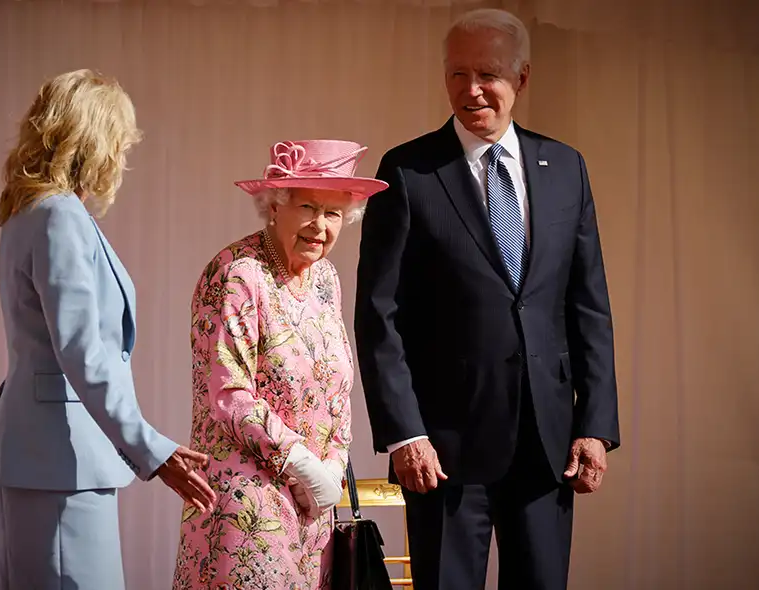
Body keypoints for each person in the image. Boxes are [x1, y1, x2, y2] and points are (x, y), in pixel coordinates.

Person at [354, 9, 620, 590]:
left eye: (488, 74)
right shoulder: (408, 172)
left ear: (521, 78)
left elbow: (588, 306)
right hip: (443, 450)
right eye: (457, 74)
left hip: (547, 443)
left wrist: (595, 424)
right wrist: (404, 432)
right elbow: (379, 316)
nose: (471, 89)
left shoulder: (566, 168)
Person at [0, 69, 216, 589]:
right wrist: (153, 449)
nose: (123, 158)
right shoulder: (59, 216)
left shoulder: (26, 213)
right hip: (61, 460)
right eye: (120, 143)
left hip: (45, 458)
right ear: (95, 141)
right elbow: (83, 354)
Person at [172, 140, 388, 589]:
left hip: (314, 510)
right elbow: (228, 394)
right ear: (274, 206)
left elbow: (337, 383)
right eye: (307, 206)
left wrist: (333, 465)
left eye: (333, 214)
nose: (319, 226)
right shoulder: (236, 273)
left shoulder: (325, 279)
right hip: (247, 502)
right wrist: (304, 466)